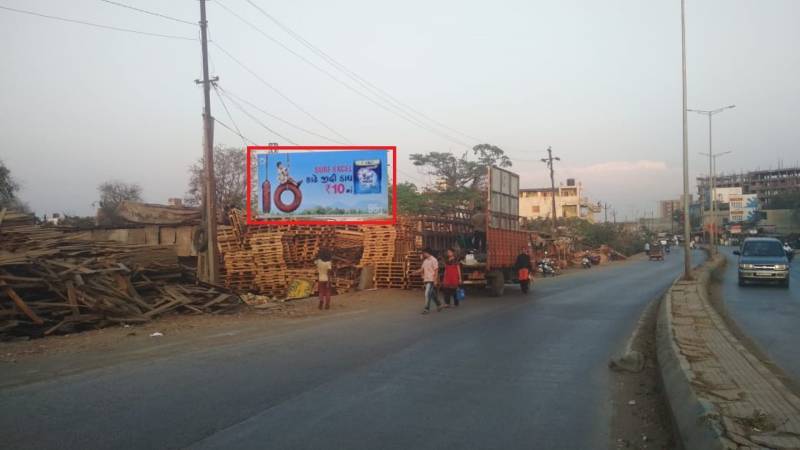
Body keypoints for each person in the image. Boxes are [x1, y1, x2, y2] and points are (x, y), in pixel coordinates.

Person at [413, 248, 443, 314]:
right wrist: (415, 272)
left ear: (427, 253)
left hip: (431, 279)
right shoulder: (425, 261)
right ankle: (439, 304)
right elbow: (422, 269)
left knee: (427, 294)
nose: (423, 254)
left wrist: (435, 280)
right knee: (432, 294)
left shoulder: (434, 260)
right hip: (426, 279)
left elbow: (436, 270)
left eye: (424, 253)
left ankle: (426, 309)